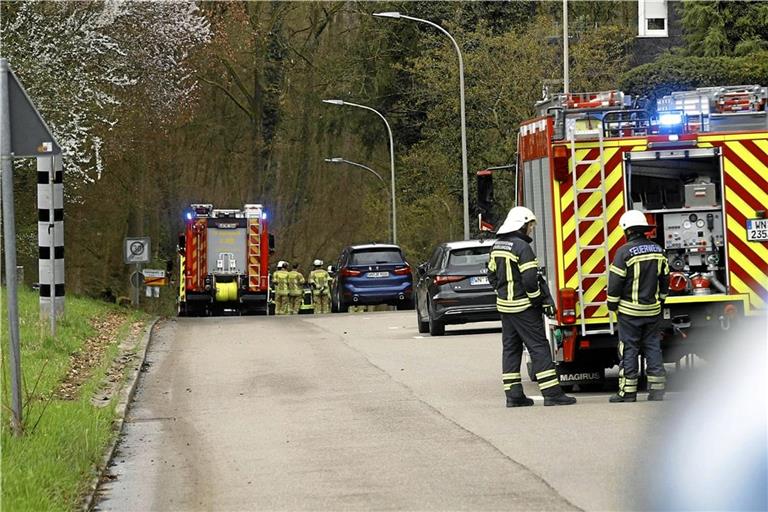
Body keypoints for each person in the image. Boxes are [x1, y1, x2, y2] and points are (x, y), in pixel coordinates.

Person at [488, 206, 577, 407]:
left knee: (511, 349)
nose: (530, 230)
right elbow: (530, 280)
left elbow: (491, 275)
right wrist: (538, 300)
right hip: (524, 308)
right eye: (529, 225)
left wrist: (503, 293)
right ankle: (552, 394)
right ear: (521, 225)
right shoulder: (522, 247)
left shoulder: (497, 246)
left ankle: (514, 396)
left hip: (506, 308)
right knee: (539, 347)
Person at [607, 210, 670, 402]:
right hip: (652, 310)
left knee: (629, 348)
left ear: (627, 230)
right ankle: (657, 390)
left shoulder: (623, 252)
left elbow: (616, 281)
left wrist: (612, 303)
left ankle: (628, 392)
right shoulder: (658, 250)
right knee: (653, 347)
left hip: (629, 312)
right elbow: (665, 279)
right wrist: (661, 299)